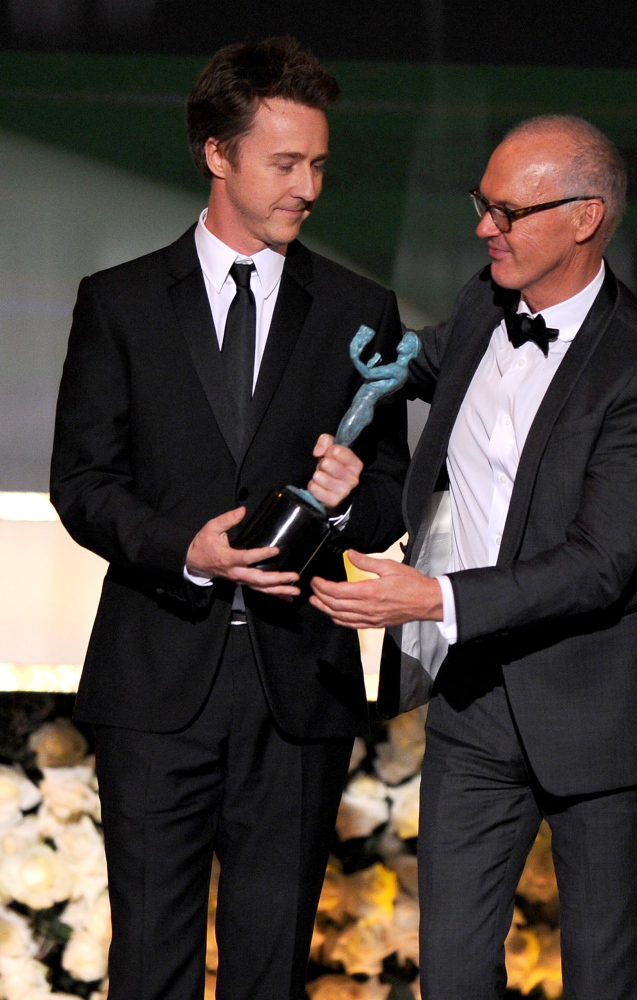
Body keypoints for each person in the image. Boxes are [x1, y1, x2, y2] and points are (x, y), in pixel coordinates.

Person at [50, 37, 408, 1000]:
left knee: (271, 968)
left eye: (319, 165)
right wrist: (188, 550)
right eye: (286, 163)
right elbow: (82, 482)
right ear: (219, 153)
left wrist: (342, 500)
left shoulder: (358, 307)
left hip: (299, 690)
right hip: (156, 681)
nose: (309, 188)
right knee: (150, 965)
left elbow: (388, 501)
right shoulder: (119, 302)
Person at [310, 115, 637, 1000]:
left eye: (509, 212)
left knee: (604, 981)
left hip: (599, 718)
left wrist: (431, 599)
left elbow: (599, 563)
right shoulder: (488, 303)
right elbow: (417, 363)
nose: (486, 228)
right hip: (475, 705)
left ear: (585, 217)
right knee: (450, 975)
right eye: (481, 205)